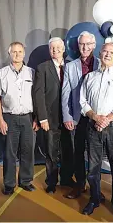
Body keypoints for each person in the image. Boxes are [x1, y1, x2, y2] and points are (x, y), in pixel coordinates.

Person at [79, 43, 113, 218]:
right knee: (93, 168)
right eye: (105, 51)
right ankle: (94, 199)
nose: (107, 54)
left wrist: (107, 119)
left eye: (112, 52)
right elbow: (83, 102)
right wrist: (95, 117)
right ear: (100, 53)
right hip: (93, 128)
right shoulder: (89, 77)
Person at [0, 42, 39, 195]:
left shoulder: (32, 73)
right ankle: (9, 184)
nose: (17, 54)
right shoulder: (1, 74)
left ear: (24, 53)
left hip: (28, 118)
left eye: (20, 52)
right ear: (9, 54)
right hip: (9, 118)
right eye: (14, 52)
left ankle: (25, 181)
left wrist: (37, 118)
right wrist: (0, 120)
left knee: (28, 151)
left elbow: (37, 97)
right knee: (9, 153)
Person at [61, 31, 101, 199]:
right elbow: (66, 93)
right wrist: (67, 117)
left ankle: (95, 189)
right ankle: (79, 185)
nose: (85, 47)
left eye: (88, 44)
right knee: (77, 153)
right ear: (78, 46)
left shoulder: (102, 64)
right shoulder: (70, 66)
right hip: (78, 118)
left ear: (93, 45)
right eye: (82, 44)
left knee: (95, 155)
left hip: (97, 117)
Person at [33, 37, 75, 193]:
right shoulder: (42, 68)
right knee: (51, 152)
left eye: (58, 47)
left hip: (69, 117)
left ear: (64, 49)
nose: (55, 50)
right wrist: (42, 117)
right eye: (52, 48)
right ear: (49, 50)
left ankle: (66, 178)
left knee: (68, 149)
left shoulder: (71, 66)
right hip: (50, 118)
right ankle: (51, 182)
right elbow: (39, 95)